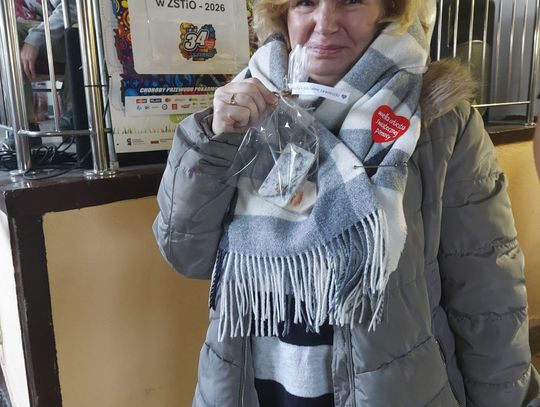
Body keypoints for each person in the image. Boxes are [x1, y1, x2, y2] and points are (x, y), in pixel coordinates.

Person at [153, 0, 540, 405]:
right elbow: (187, 254)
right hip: (250, 389)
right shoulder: (242, 110)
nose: (325, 23)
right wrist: (214, 140)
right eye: (305, 2)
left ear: (389, 10)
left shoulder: (438, 121)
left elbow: (487, 298)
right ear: (282, 13)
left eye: (350, 1)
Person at [16, 0, 76, 130]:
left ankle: (74, 113)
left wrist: (34, 40)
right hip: (40, 31)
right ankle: (23, 125)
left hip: (69, 30)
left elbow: (72, 7)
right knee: (7, 31)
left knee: (77, 30)